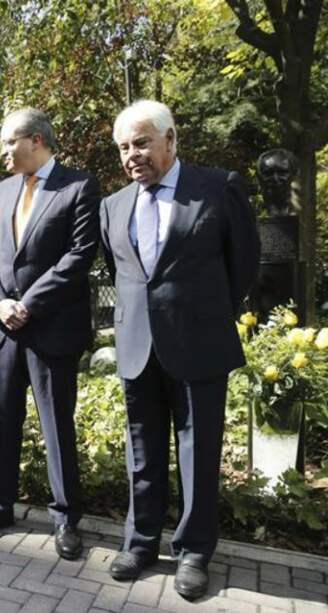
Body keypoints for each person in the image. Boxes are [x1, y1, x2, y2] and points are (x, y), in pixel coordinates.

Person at [100, 100, 260, 599]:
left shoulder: (217, 187)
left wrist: (208, 314)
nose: (133, 155)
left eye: (142, 142)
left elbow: (244, 263)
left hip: (200, 343)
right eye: (124, 147)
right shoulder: (113, 205)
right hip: (137, 346)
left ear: (172, 139)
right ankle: (141, 542)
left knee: (198, 452)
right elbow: (122, 273)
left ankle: (193, 552)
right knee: (141, 453)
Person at [0, 108, 100, 560]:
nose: (3, 152)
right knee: (2, 421)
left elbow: (80, 254)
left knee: (56, 426)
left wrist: (31, 302)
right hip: (5, 329)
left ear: (36, 141)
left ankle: (66, 519)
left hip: (51, 329)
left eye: (9, 142)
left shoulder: (78, 187)